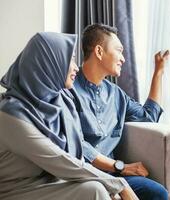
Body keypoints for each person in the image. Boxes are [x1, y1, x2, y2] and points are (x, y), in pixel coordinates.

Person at [0, 32, 139, 200]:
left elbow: (77, 149)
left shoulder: (61, 101)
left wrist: (112, 188)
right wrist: (119, 184)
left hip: (53, 182)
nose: (76, 67)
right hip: (18, 190)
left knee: (98, 188)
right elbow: (58, 160)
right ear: (48, 64)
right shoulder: (10, 115)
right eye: (70, 60)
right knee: (96, 190)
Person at [74, 23, 169, 200]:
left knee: (158, 193)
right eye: (119, 50)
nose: (123, 59)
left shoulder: (116, 94)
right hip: (81, 175)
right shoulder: (69, 90)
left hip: (113, 174)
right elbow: (75, 144)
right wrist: (122, 167)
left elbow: (147, 117)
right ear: (99, 52)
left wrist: (158, 72)